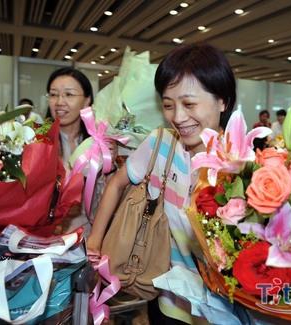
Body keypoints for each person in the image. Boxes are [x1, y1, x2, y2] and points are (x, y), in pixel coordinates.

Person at [87, 44, 246, 324]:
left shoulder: (242, 162)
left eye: (189, 104)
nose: (178, 117)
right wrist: (96, 240)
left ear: (222, 100)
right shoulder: (161, 144)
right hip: (169, 300)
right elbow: (117, 183)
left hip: (226, 307)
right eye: (169, 105)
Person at [45, 67, 115, 235]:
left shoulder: (100, 143)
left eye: (69, 94)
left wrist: (111, 166)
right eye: (53, 94)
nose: (59, 101)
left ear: (86, 101)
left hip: (89, 235)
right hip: (48, 236)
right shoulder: (38, 142)